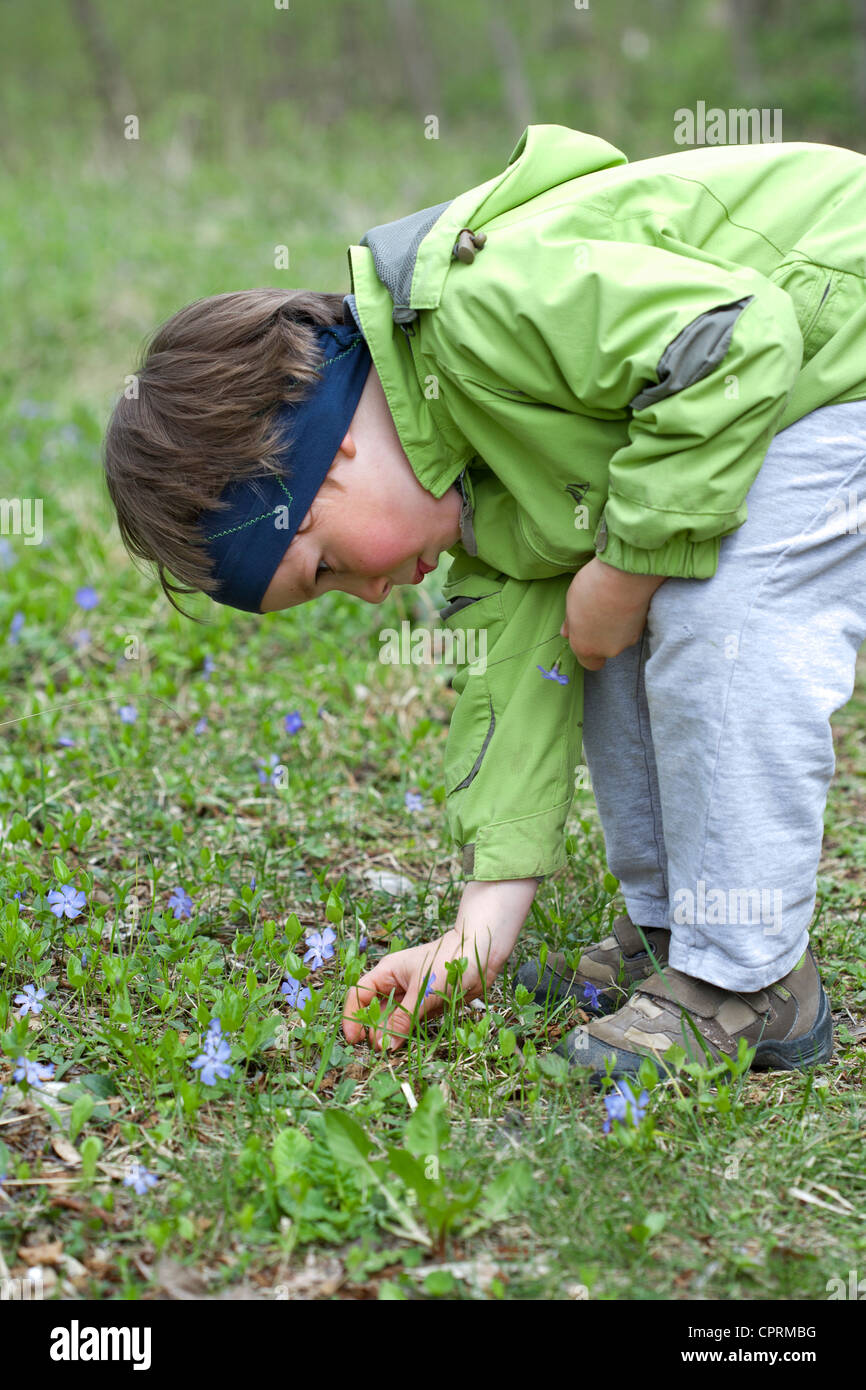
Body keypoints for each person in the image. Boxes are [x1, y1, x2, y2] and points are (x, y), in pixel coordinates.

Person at [103, 124, 866, 1082]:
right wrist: (477, 935)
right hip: (773, 376)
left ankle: (749, 981)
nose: (372, 591)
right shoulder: (479, 483)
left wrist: (624, 569)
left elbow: (735, 334)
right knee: (605, 623)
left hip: (834, 344)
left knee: (710, 613)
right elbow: (525, 684)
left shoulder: (483, 316)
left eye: (331, 567)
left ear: (327, 461)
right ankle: (684, 930)